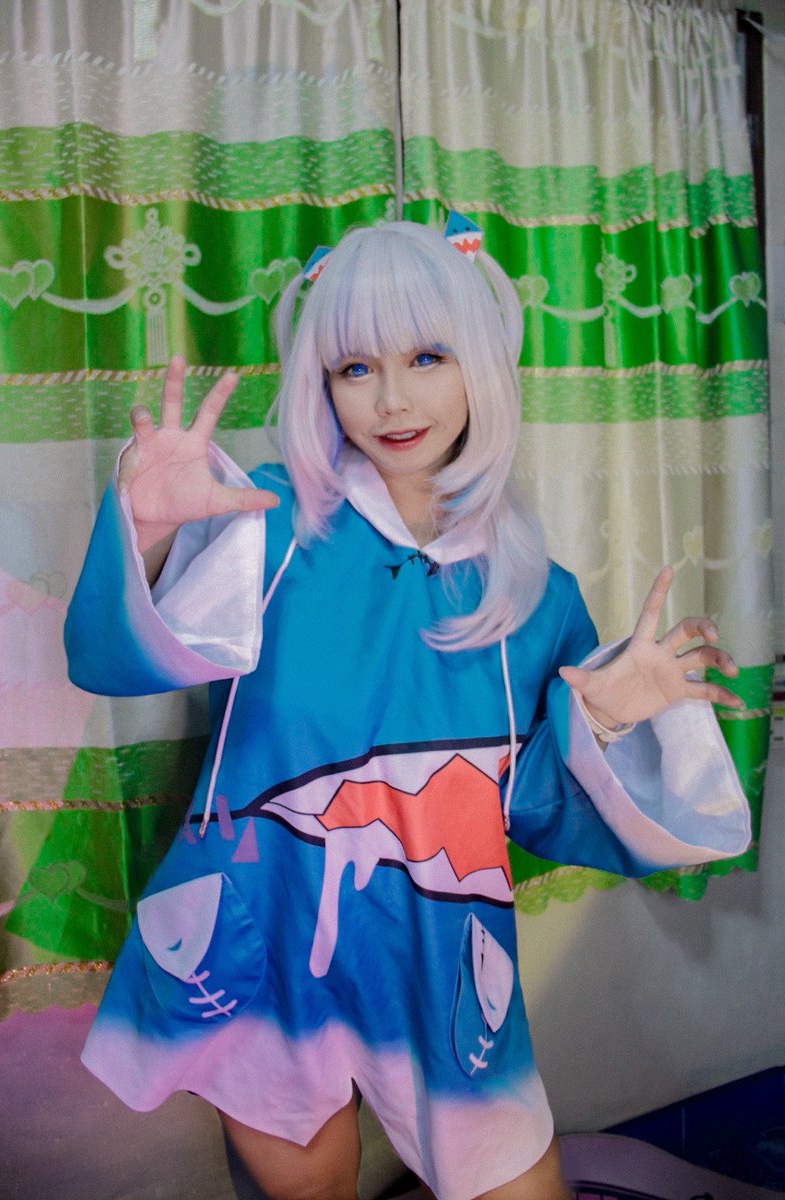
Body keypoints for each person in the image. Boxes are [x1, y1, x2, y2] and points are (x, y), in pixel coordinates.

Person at [65, 220, 751, 1200]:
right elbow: (112, 655)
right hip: (268, 944)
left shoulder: (535, 593)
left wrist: (600, 724)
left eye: (427, 356)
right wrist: (150, 532)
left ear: (480, 363)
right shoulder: (263, 524)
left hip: (439, 955)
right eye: (355, 366)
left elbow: (526, 808)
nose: (391, 399)